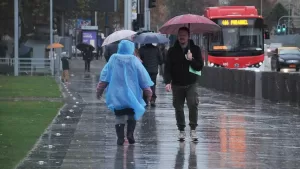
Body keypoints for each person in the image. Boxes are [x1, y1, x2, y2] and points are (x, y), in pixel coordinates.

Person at [96, 40, 154, 146]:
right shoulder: (134, 60)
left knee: (119, 116)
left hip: (116, 94)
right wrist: (148, 91)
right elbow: (143, 77)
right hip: (132, 94)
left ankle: (120, 137)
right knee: (131, 114)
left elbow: (105, 76)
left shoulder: (113, 59)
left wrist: (99, 90)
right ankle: (130, 133)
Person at [164, 27, 204, 141]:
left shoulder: (195, 49)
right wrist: (168, 82)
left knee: (193, 104)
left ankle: (193, 129)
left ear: (188, 36)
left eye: (184, 35)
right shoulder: (172, 51)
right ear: (178, 37)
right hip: (177, 84)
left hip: (191, 83)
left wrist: (191, 59)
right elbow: (167, 68)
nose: (182, 37)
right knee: (178, 107)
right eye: (180, 35)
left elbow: (200, 66)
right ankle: (181, 130)